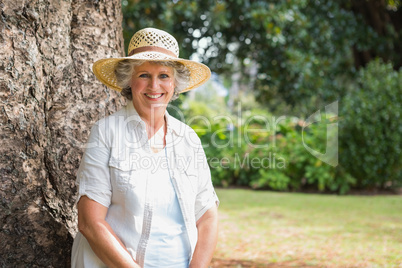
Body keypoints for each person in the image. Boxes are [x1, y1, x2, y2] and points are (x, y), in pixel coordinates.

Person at [71, 28, 219, 268]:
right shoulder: (107, 132)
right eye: (143, 75)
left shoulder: (188, 138)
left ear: (174, 83)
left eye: (163, 75)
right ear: (130, 80)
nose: (154, 85)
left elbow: (207, 214)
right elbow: (90, 222)